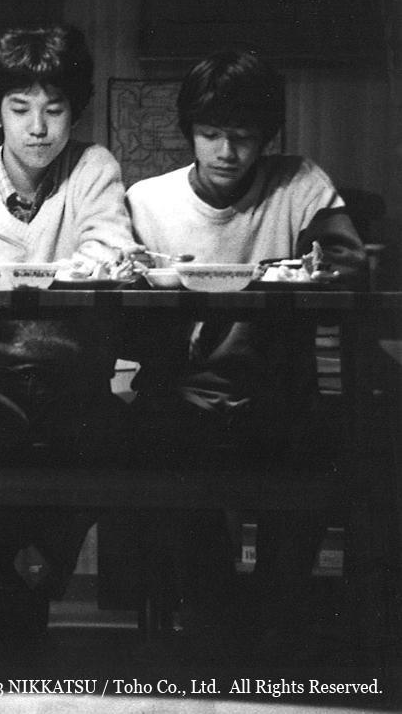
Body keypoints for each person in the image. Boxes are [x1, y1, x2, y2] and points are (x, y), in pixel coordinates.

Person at [125, 49, 366, 656]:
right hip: (181, 391)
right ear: (189, 133)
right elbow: (125, 310)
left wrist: (276, 274)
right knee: (154, 442)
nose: (227, 152)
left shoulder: (298, 182)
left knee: (324, 442)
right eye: (211, 134)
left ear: (267, 138)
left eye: (244, 137)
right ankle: (216, 608)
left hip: (276, 394)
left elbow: (347, 263)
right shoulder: (149, 200)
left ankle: (276, 610)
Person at [0, 25, 135, 650]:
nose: (38, 128)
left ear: (73, 112)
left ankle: (25, 583)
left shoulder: (93, 167)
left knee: (105, 446)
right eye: (20, 109)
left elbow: (110, 256)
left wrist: (10, 268)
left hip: (78, 381)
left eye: (54, 109)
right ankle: (16, 586)